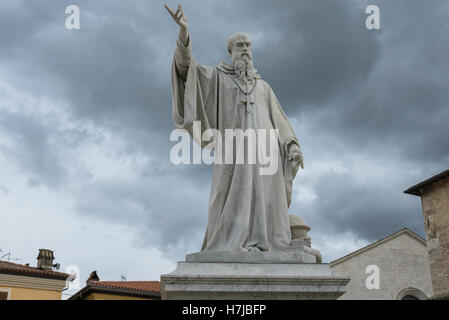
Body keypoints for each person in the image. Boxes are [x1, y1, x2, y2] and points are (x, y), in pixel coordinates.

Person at [165, 4, 304, 252]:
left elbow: (281, 121)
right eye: (240, 45)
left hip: (266, 155)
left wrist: (291, 144)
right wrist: (184, 33)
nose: (245, 50)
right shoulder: (218, 77)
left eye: (248, 45)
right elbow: (186, 70)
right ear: (230, 50)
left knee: (267, 203)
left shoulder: (264, 88)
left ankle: (267, 241)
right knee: (223, 198)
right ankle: (226, 243)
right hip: (231, 151)